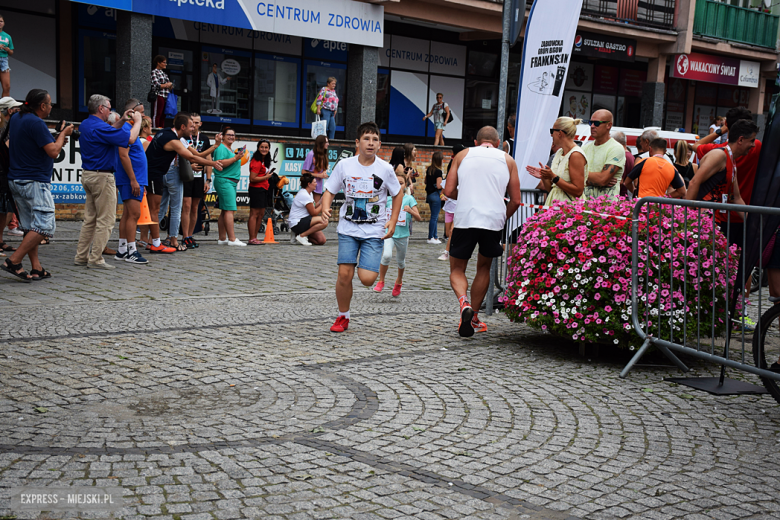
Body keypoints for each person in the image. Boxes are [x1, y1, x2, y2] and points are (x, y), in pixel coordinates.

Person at [320, 121, 403, 333]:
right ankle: (342, 316)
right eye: (366, 138)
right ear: (357, 142)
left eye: (375, 139)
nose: (370, 143)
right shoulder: (345, 165)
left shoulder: (385, 169)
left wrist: (392, 220)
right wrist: (325, 208)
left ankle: (365, 264)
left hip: (374, 232)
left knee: (367, 279)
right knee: (344, 275)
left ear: (380, 144)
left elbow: (397, 193)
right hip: (348, 229)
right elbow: (329, 190)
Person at [443, 126, 522, 337]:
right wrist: (501, 216)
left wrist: (469, 196)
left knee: (457, 269)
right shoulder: (508, 160)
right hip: (492, 220)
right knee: (484, 268)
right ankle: (475, 317)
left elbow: (449, 191)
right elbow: (516, 200)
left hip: (465, 218)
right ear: (497, 143)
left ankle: (463, 303)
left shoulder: (462, 155)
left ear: (476, 142)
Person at [1, 89, 71, 282]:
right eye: (50, 104)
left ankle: (36, 268)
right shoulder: (37, 123)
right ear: (42, 106)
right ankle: (13, 261)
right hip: (34, 181)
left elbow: (37, 145)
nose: (50, 107)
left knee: (29, 226)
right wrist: (64, 133)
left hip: (16, 179)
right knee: (44, 226)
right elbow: (53, 152)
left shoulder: (17, 118)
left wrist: (57, 137)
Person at [75, 94, 141, 270]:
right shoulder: (100, 128)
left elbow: (111, 131)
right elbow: (130, 139)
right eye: (109, 107)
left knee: (90, 219)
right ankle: (96, 258)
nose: (111, 110)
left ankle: (81, 256)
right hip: (102, 177)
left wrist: (122, 121)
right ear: (101, 109)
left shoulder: (87, 124)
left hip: (89, 174)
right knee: (106, 220)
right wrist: (138, 121)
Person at [145, 112, 222, 254]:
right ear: (182, 126)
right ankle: (157, 243)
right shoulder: (174, 140)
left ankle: (151, 241)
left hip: (156, 174)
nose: (193, 129)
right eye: (191, 126)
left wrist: (214, 148)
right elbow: (191, 157)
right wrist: (212, 163)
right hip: (154, 175)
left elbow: (195, 155)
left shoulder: (167, 132)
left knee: (158, 210)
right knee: (157, 211)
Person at [685, 119, 757, 209]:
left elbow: (736, 198)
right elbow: (694, 183)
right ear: (741, 140)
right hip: (704, 218)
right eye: (752, 140)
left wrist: (751, 221)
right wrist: (687, 216)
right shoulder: (719, 155)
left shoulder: (731, 160)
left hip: (715, 219)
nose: (754, 145)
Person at [113, 98, 149, 265]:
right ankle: (131, 251)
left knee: (128, 214)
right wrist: (133, 180)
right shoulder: (126, 129)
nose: (143, 115)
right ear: (131, 112)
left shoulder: (130, 129)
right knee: (134, 215)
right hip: (130, 179)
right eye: (140, 112)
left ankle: (122, 250)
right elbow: (123, 155)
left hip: (136, 179)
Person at [374, 173, 422, 296]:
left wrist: (410, 211)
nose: (398, 186)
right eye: (396, 183)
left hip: (403, 235)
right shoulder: (388, 199)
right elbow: (377, 212)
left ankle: (399, 281)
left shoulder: (409, 199)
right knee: (386, 256)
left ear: (405, 185)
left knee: (400, 261)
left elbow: (419, 218)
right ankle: (381, 281)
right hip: (389, 233)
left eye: (400, 183)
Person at [526, 117, 587, 206]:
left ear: (560, 133)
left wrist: (553, 177)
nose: (551, 135)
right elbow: (551, 189)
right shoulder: (559, 152)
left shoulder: (576, 154)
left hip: (569, 210)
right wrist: (545, 176)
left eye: (552, 131)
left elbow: (578, 191)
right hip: (555, 207)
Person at [181, 113, 211, 250]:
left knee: (195, 208)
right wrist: (189, 165)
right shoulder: (183, 137)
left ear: (200, 124)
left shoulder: (204, 139)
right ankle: (184, 235)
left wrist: (208, 180)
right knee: (186, 206)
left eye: (197, 123)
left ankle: (190, 235)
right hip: (186, 176)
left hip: (199, 178)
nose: (194, 125)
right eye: (192, 122)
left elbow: (209, 160)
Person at [212, 127, 246, 246]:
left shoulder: (229, 149)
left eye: (233, 135)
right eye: (228, 135)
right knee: (230, 210)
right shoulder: (221, 148)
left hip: (229, 181)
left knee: (224, 210)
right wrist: (236, 158)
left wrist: (236, 157)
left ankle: (222, 238)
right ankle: (232, 239)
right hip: (225, 181)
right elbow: (220, 163)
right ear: (223, 136)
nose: (231, 137)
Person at [581, 110, 625, 200]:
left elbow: (602, 180)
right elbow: (572, 177)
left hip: (606, 208)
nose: (592, 126)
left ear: (609, 125)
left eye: (597, 123)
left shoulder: (616, 148)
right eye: (590, 122)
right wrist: (598, 179)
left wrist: (581, 176)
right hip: (583, 206)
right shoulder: (584, 148)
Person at [0, 95, 21, 256]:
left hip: (6, 171)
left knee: (5, 208)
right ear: (9, 110)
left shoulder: (7, 124)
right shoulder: (2, 127)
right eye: (15, 109)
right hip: (1, 171)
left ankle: (0, 240)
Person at [438, 143, 465, 261]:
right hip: (449, 208)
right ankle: (452, 248)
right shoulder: (448, 179)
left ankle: (447, 252)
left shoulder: (464, 179)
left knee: (452, 231)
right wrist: (443, 196)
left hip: (459, 208)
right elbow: (442, 193)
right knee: (448, 234)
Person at [288, 173, 328, 246]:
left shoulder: (309, 193)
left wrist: (320, 201)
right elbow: (314, 213)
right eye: (315, 182)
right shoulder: (304, 194)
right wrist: (323, 204)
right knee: (324, 221)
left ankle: (298, 235)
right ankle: (302, 236)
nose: (316, 184)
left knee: (321, 240)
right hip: (297, 222)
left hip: (305, 220)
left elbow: (313, 206)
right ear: (309, 184)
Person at [247, 139, 274, 244]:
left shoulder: (264, 160)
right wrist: (266, 177)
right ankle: (252, 238)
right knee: (254, 213)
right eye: (262, 147)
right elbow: (252, 178)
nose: (264, 149)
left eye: (266, 147)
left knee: (261, 213)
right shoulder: (256, 161)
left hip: (264, 189)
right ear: (258, 148)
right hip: (256, 189)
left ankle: (255, 237)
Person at [302, 135, 329, 205]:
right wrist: (318, 175)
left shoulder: (324, 155)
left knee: (316, 206)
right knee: (309, 207)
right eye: (326, 142)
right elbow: (303, 172)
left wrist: (324, 173)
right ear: (321, 143)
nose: (328, 144)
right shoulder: (311, 154)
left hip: (318, 185)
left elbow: (324, 169)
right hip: (309, 184)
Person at [425, 151, 444, 244]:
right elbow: (439, 186)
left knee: (434, 217)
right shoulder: (438, 171)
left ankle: (435, 237)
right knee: (434, 217)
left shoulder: (429, 169)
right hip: (436, 195)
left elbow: (425, 181)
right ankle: (430, 237)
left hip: (429, 195)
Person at [151, 55, 172, 129]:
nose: (165, 64)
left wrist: (170, 85)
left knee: (163, 114)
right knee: (157, 113)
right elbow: (157, 85)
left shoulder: (164, 74)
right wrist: (167, 85)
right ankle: (155, 128)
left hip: (166, 96)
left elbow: (169, 85)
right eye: (164, 62)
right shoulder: (154, 72)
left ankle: (161, 128)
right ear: (158, 63)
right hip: (159, 95)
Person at [0, 15, 12, 98]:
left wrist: (7, 50)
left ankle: (3, 108)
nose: (0, 23)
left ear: (4, 23)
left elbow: (11, 52)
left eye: (1, 21)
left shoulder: (7, 36)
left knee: (7, 87)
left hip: (4, 60)